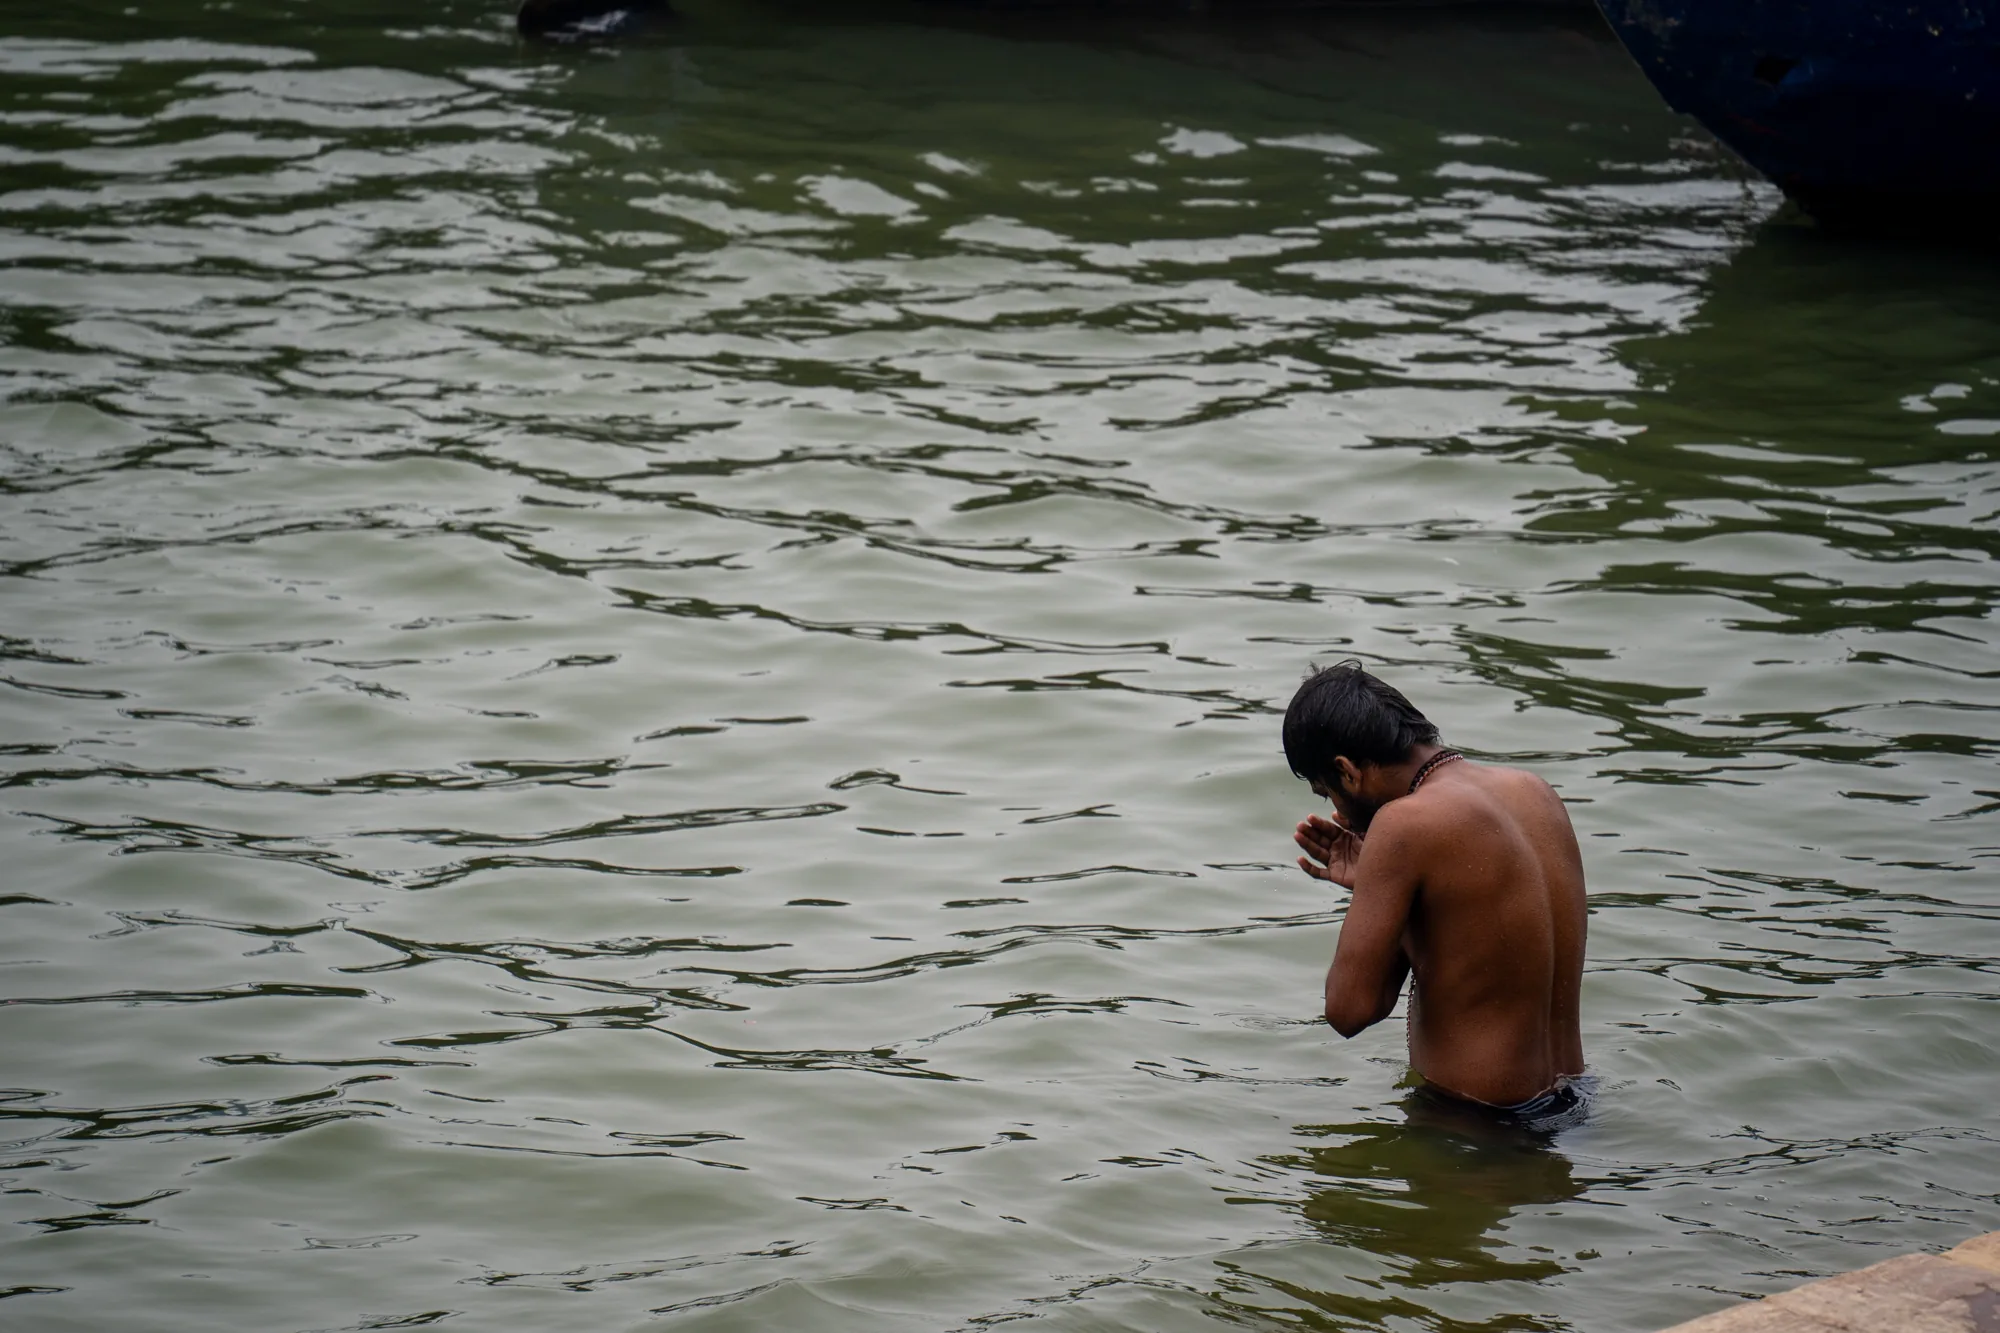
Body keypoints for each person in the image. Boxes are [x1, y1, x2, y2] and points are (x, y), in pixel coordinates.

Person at [1283, 661, 1587, 1118]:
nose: (1339, 813)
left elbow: (1350, 1011)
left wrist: (1382, 882)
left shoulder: (1404, 824)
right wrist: (1389, 883)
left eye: (1326, 792)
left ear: (1346, 771)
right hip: (1574, 1101)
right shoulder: (1533, 791)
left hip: (1476, 1123)